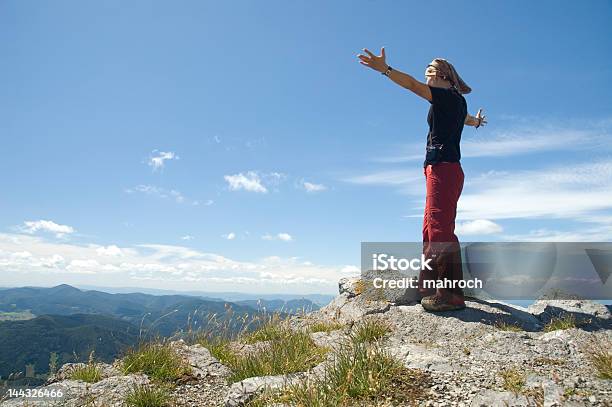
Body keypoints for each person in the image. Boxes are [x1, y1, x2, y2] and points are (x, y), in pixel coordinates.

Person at [357, 47, 487, 312]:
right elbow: (465, 119)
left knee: (439, 231)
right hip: (440, 168)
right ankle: (428, 285)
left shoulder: (446, 97)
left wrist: (385, 69)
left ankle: (451, 294)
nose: (427, 69)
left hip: (444, 168)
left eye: (433, 67)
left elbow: (413, 85)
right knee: (430, 230)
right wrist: (476, 122)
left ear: (447, 78)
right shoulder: (454, 102)